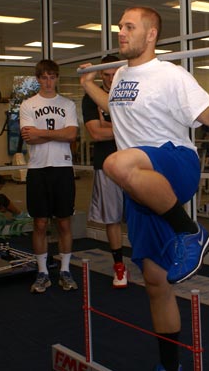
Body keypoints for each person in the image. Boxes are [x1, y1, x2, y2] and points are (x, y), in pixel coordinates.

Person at [79, 6, 209, 371]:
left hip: (174, 164)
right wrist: (88, 84)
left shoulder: (172, 74)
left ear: (151, 33)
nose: (120, 32)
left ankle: (192, 232)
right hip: (142, 185)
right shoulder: (122, 75)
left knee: (114, 163)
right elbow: (116, 106)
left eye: (129, 27)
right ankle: (170, 366)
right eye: (119, 26)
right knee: (156, 282)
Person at [20, 59, 79, 294]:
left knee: (64, 221)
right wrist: (58, 134)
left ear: (57, 78)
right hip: (37, 169)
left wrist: (42, 132)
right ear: (38, 79)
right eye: (44, 77)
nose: (48, 81)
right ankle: (43, 272)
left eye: (52, 77)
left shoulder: (67, 104)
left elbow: (72, 135)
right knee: (40, 223)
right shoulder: (28, 104)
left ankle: (65, 270)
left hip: (62, 168)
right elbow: (28, 138)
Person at [82, 55, 128, 289]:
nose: (110, 80)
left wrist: (108, 124)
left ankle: (149, 259)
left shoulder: (130, 94)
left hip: (134, 164)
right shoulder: (90, 98)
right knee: (112, 219)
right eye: (106, 75)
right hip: (106, 163)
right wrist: (127, 127)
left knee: (141, 215)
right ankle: (119, 266)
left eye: (114, 74)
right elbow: (96, 134)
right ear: (100, 75)